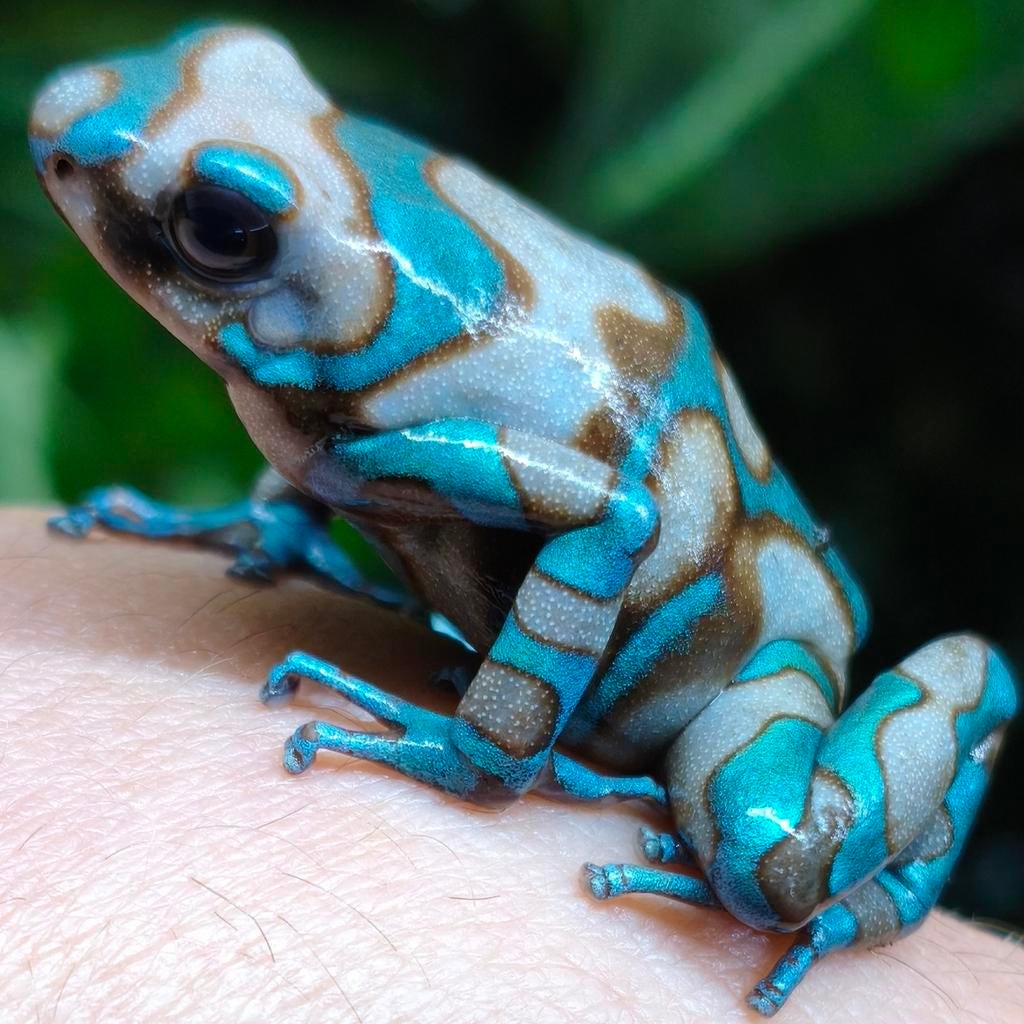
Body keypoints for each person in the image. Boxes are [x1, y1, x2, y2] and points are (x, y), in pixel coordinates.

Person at [1, 508, 1020, 1023]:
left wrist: (482, 749)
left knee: (775, 869)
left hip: (753, 677)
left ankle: (887, 896)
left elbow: (609, 525)